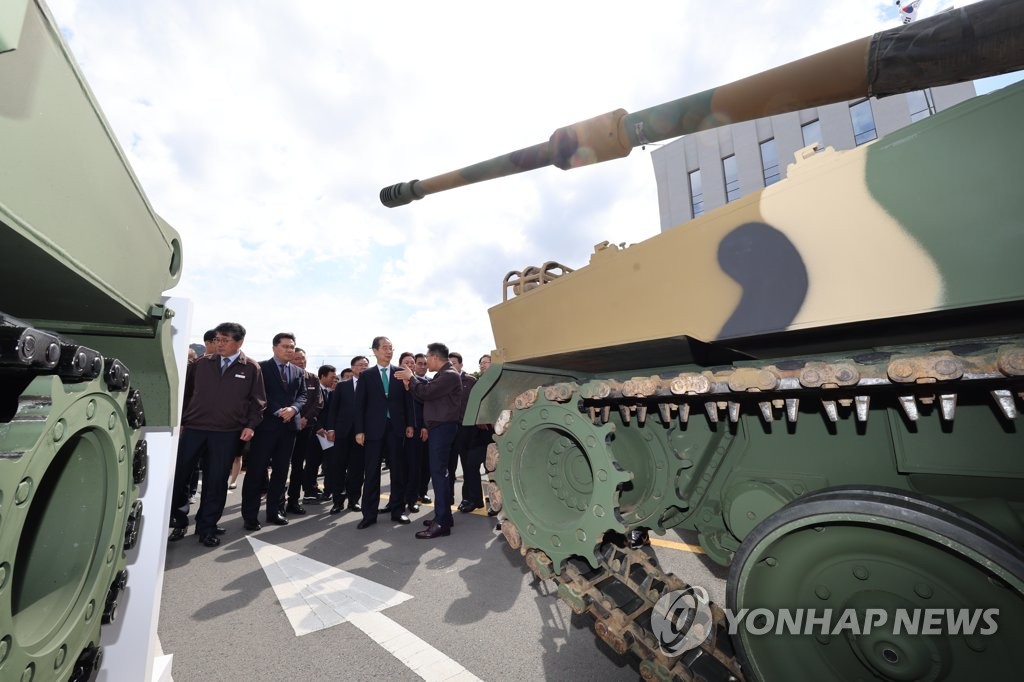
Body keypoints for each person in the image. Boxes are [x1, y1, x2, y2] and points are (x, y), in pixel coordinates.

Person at [168, 322, 266, 547]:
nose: (219, 344)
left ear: (239, 342)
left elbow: (258, 402)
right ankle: (179, 521)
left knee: (216, 481)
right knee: (182, 476)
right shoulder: (201, 364)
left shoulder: (251, 368)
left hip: (226, 433)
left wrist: (250, 425)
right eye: (217, 340)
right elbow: (186, 394)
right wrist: (182, 420)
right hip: (194, 429)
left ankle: (207, 527)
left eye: (225, 340)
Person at [396, 342, 462, 539]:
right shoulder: (443, 376)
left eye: (427, 357)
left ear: (434, 357)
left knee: (439, 474)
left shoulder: (449, 375)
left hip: (442, 429)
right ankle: (444, 517)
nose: (425, 361)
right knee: (440, 473)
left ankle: (441, 523)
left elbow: (426, 393)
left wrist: (411, 377)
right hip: (440, 428)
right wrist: (412, 384)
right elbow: (425, 394)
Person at [241, 332, 307, 530]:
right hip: (266, 427)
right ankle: (250, 516)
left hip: (289, 429)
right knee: (256, 471)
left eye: (292, 347)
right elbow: (258, 395)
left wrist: (294, 409)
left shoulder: (298, 371)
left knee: (281, 471)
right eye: (285, 346)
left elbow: (303, 395)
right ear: (274, 348)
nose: (289, 350)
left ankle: (274, 511)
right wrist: (279, 410)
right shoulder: (261, 367)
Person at [354, 337, 414, 529]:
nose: (389, 351)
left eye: (391, 348)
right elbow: (359, 406)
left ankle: (397, 511)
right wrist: (359, 430)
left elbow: (408, 402)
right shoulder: (367, 375)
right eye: (385, 348)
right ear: (375, 351)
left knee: (398, 470)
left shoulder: (400, 373)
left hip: (396, 428)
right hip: (373, 430)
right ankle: (369, 514)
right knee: (371, 472)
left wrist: (410, 424)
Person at [285, 348, 324, 515]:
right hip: (286, 427)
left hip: (305, 428)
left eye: (303, 358)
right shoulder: (286, 376)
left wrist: (304, 419)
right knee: (281, 466)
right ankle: (278, 501)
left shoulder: (312, 378)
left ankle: (293, 500)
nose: (301, 361)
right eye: (297, 358)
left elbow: (318, 402)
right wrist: (295, 418)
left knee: (298, 466)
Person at [399, 352, 428, 513]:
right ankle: (396, 501)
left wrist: (424, 426)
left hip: (416, 431)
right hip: (397, 432)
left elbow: (426, 407)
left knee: (414, 466)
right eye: (406, 363)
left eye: (412, 363)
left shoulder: (420, 383)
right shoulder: (393, 383)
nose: (409, 365)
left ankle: (411, 499)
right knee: (398, 468)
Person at [305, 364, 337, 502]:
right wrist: (318, 427)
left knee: (322, 462)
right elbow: (313, 409)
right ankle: (308, 491)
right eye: (331, 377)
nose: (334, 380)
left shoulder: (329, 392)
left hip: (325, 434)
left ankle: (315, 488)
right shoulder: (315, 390)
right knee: (312, 463)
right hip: (315, 432)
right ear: (322, 376)